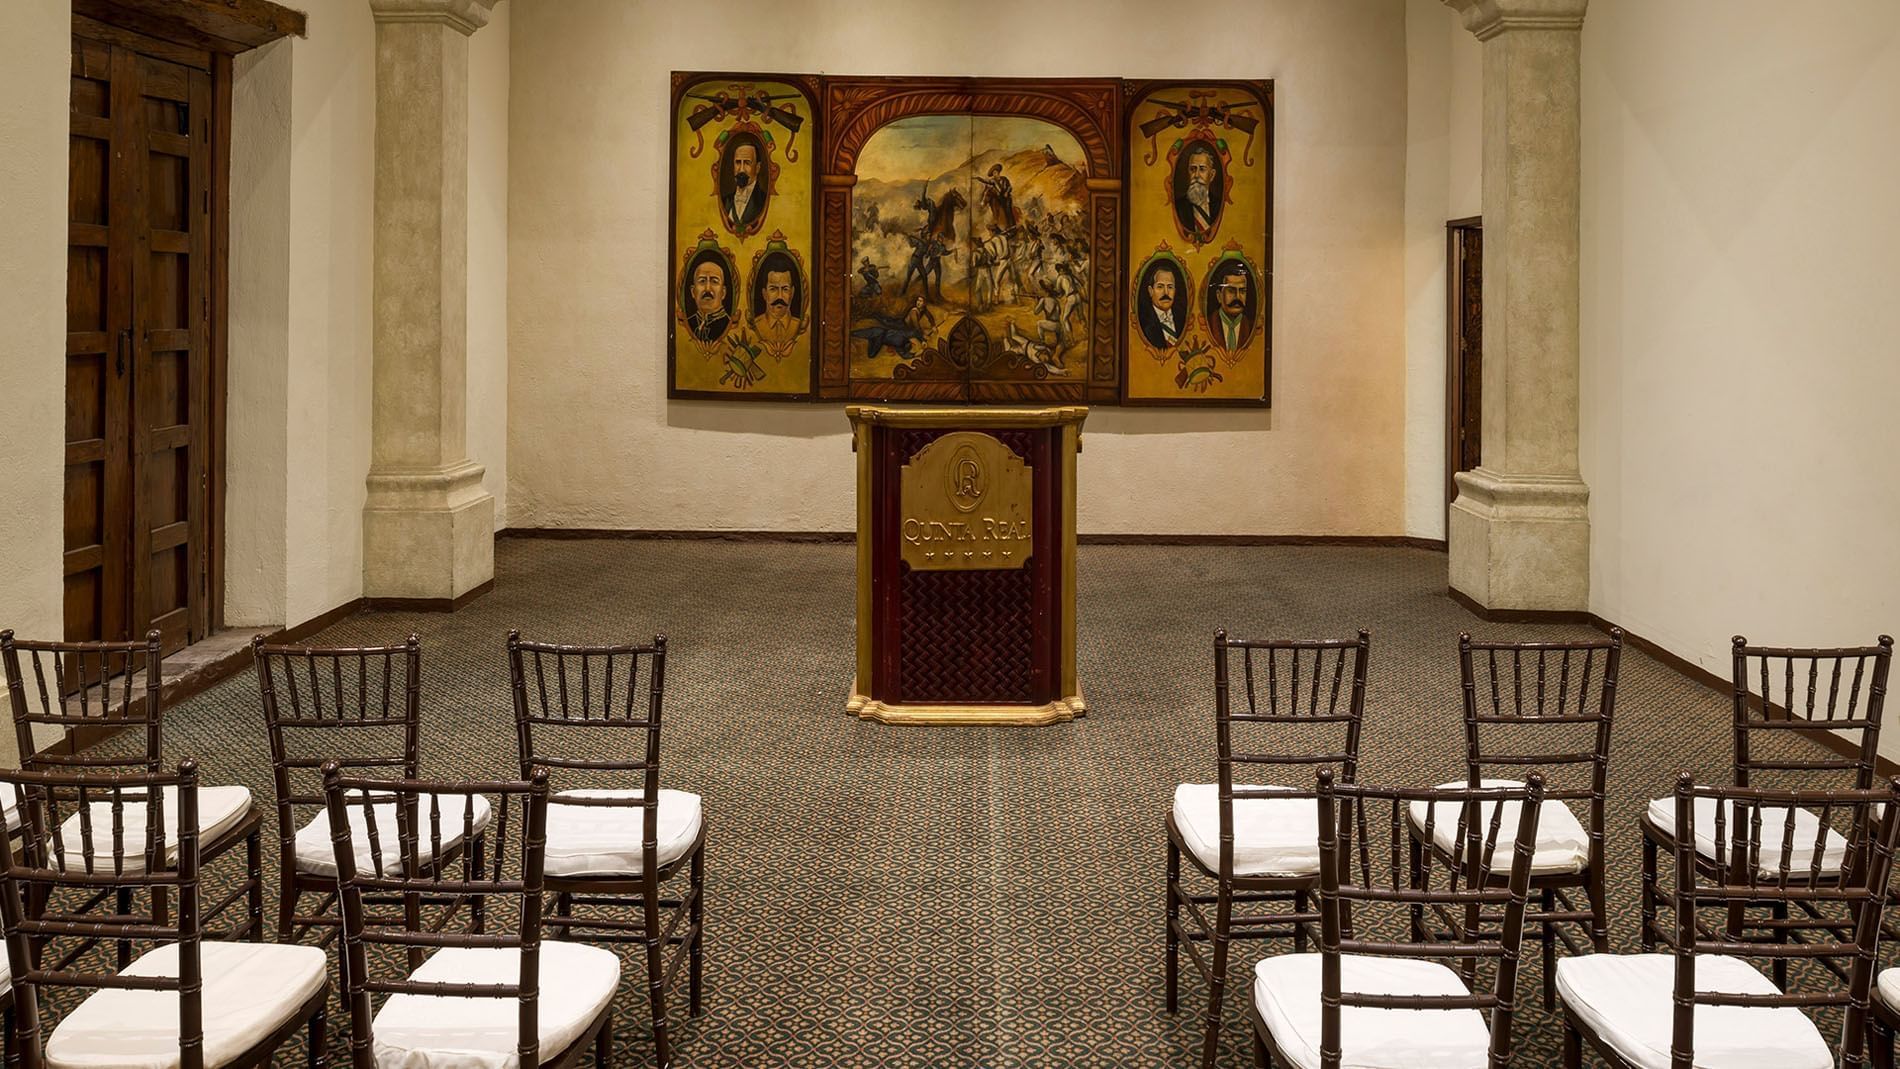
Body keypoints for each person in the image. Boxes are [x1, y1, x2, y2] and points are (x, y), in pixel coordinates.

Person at [751, 257, 802, 353]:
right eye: (773, 289)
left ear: (792, 292)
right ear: (764, 293)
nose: (780, 296)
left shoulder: (797, 325)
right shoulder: (757, 325)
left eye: (785, 289)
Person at [1174, 144, 1220, 244]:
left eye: (1202, 169)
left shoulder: (1220, 205)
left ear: (1211, 175)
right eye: (1193, 169)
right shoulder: (1177, 207)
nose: (1196, 175)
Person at [1205, 259, 1255, 351]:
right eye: (1231, 291)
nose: (1237, 297)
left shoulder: (1252, 327)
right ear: (1219, 296)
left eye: (1242, 291)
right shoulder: (1208, 325)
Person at [1136, 261, 1184, 350]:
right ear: (1151, 291)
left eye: (1170, 287)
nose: (1166, 292)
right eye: (1160, 287)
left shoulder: (1183, 317)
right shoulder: (1143, 321)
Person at [685, 256, 730, 343]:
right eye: (702, 281)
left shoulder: (728, 324)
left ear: (723, 292)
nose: (708, 288)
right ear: (693, 291)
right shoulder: (688, 323)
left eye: (714, 281)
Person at [724, 140, 766, 231]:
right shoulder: (725, 201)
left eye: (747, 163)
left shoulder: (765, 201)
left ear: (758, 168)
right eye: (738, 162)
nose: (741, 169)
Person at [975, 163, 1019, 232]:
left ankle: (1012, 226)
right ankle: (996, 224)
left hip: (1007, 198)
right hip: (1000, 199)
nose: (994, 174)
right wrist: (979, 179)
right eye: (993, 174)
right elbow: (986, 181)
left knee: (1007, 209)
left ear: (998, 172)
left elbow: (1010, 187)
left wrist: (1007, 192)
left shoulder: (1004, 179)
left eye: (995, 173)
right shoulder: (993, 181)